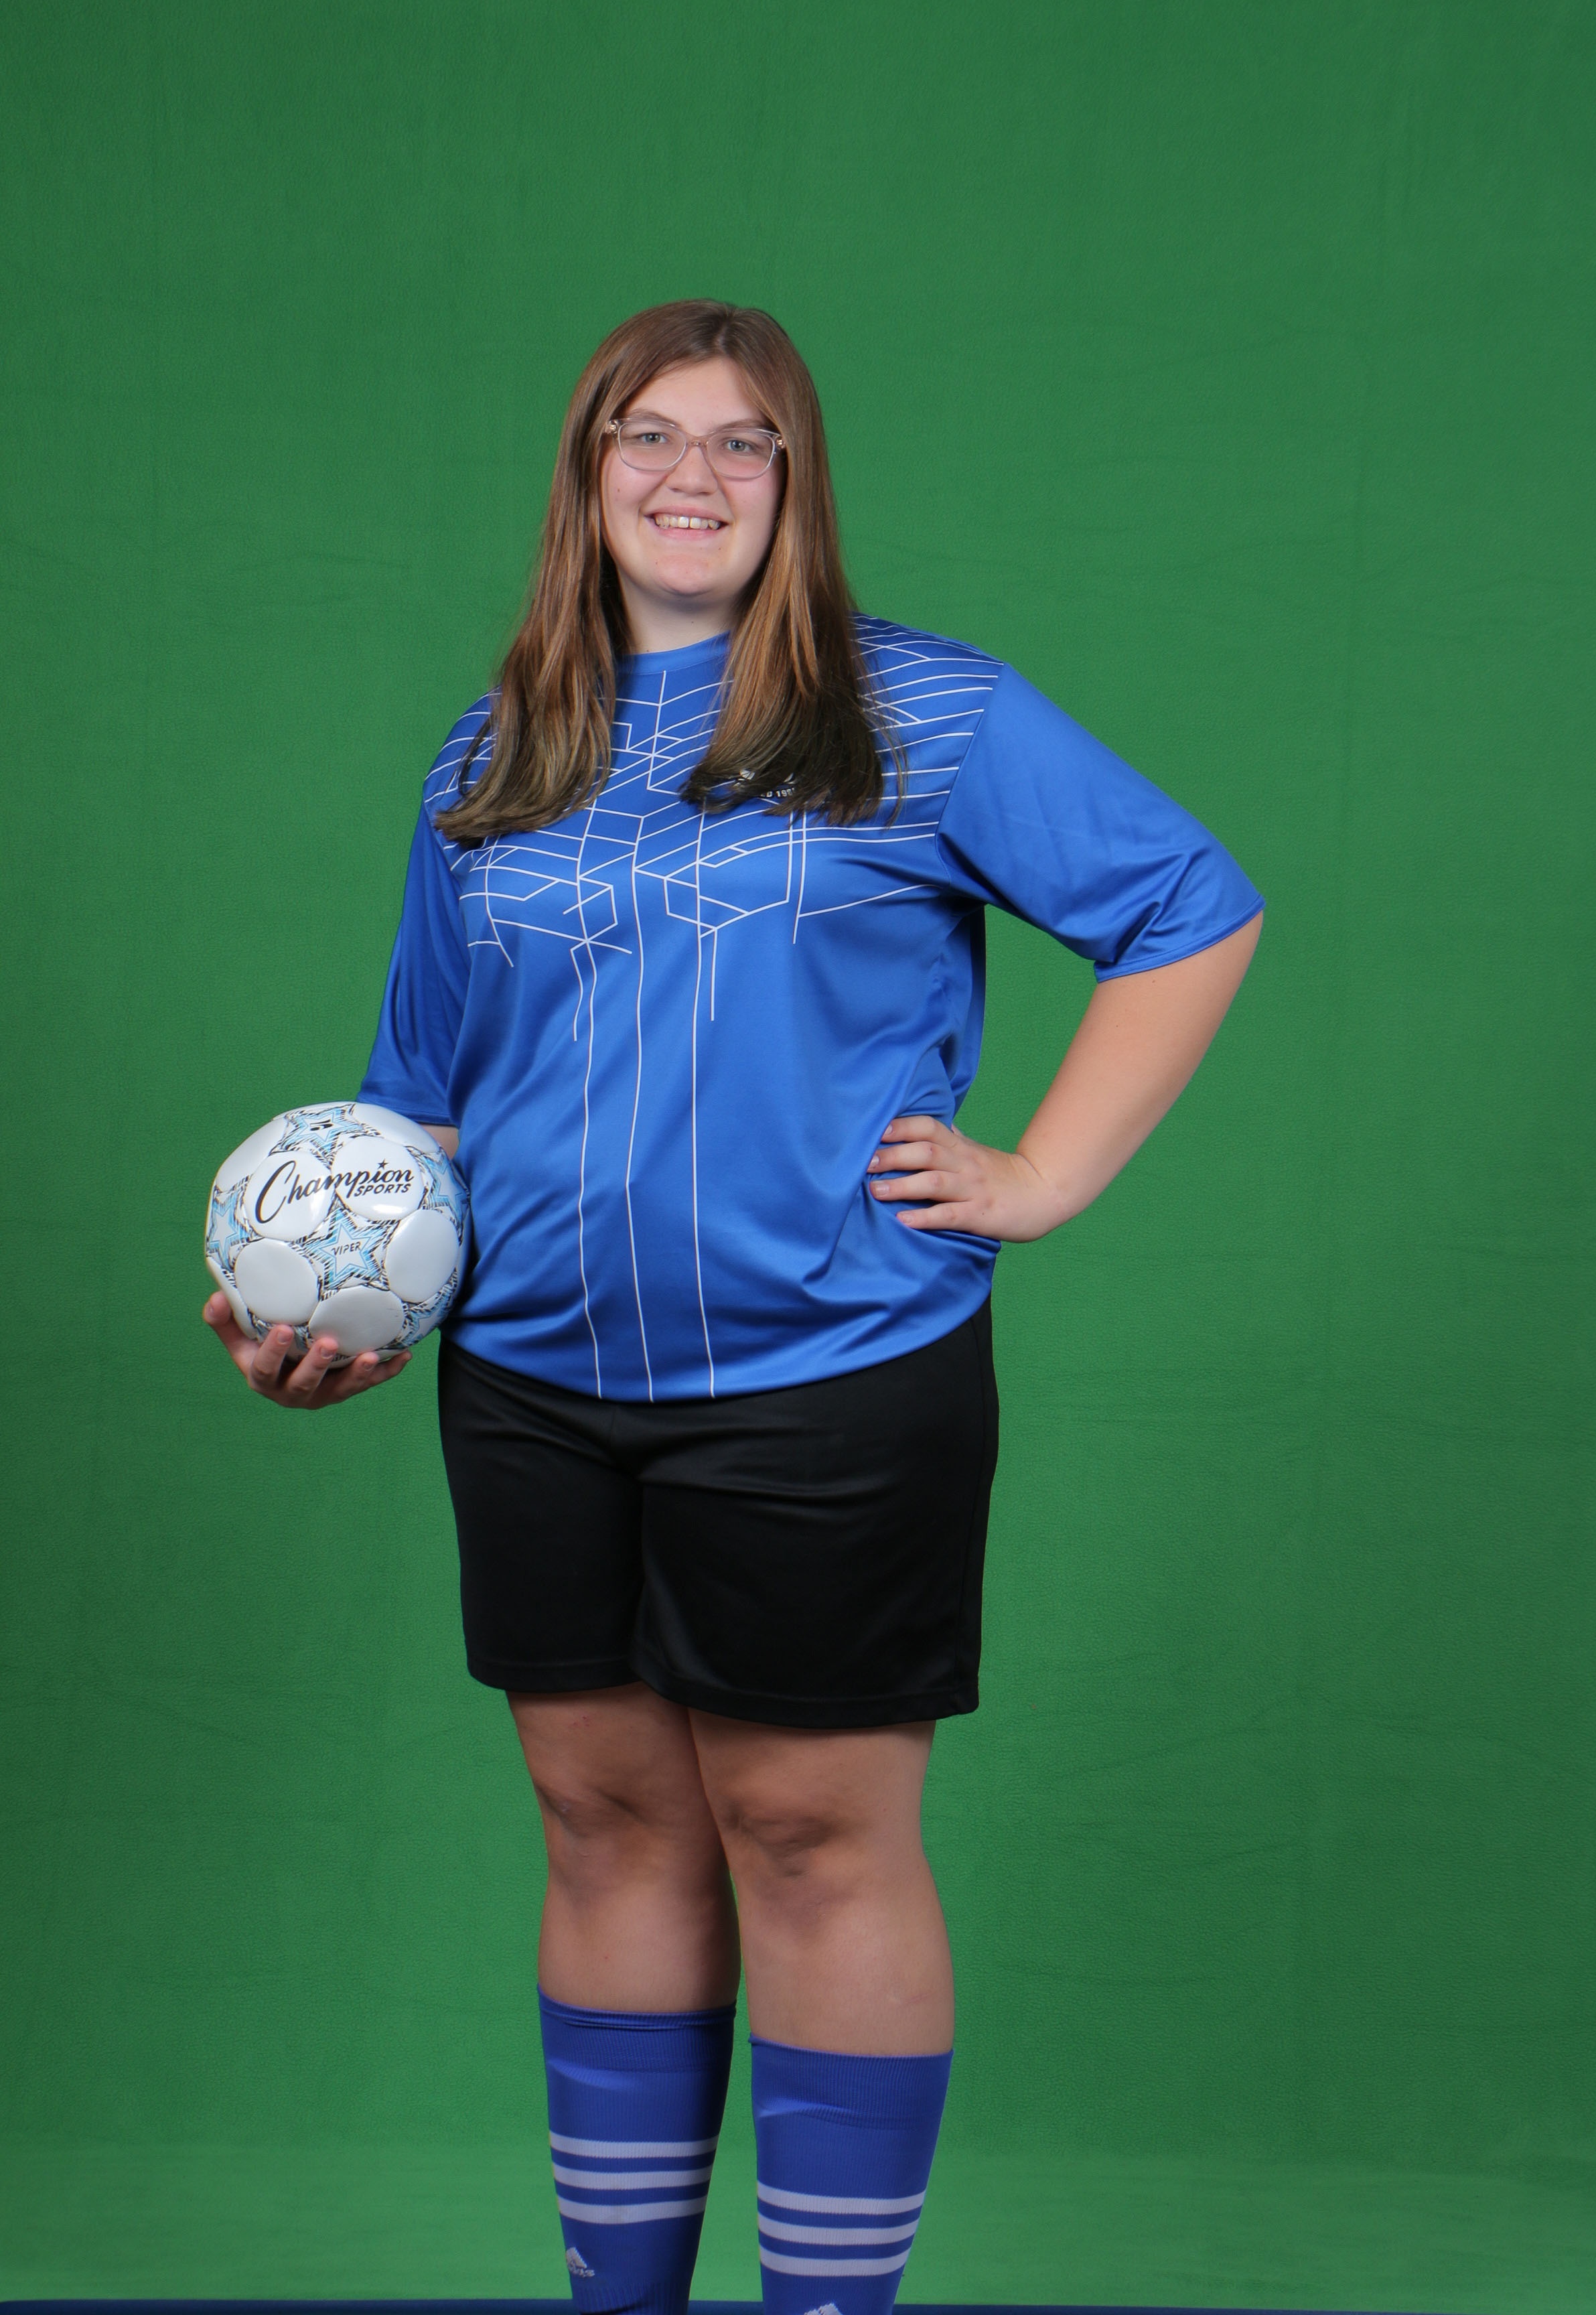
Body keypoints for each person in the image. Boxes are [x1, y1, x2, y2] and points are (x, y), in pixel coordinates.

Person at [204, 299, 1262, 2315]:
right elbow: (420, 1105)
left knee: (807, 1833)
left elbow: (1188, 909)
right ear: (587, 475)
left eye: (743, 442)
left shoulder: (917, 714)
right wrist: (332, 1307)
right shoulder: (493, 750)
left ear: (795, 484)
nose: (692, 476)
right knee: (601, 1821)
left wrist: (1043, 1174)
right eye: (649, 436)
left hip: (829, 1371)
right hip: (532, 1383)